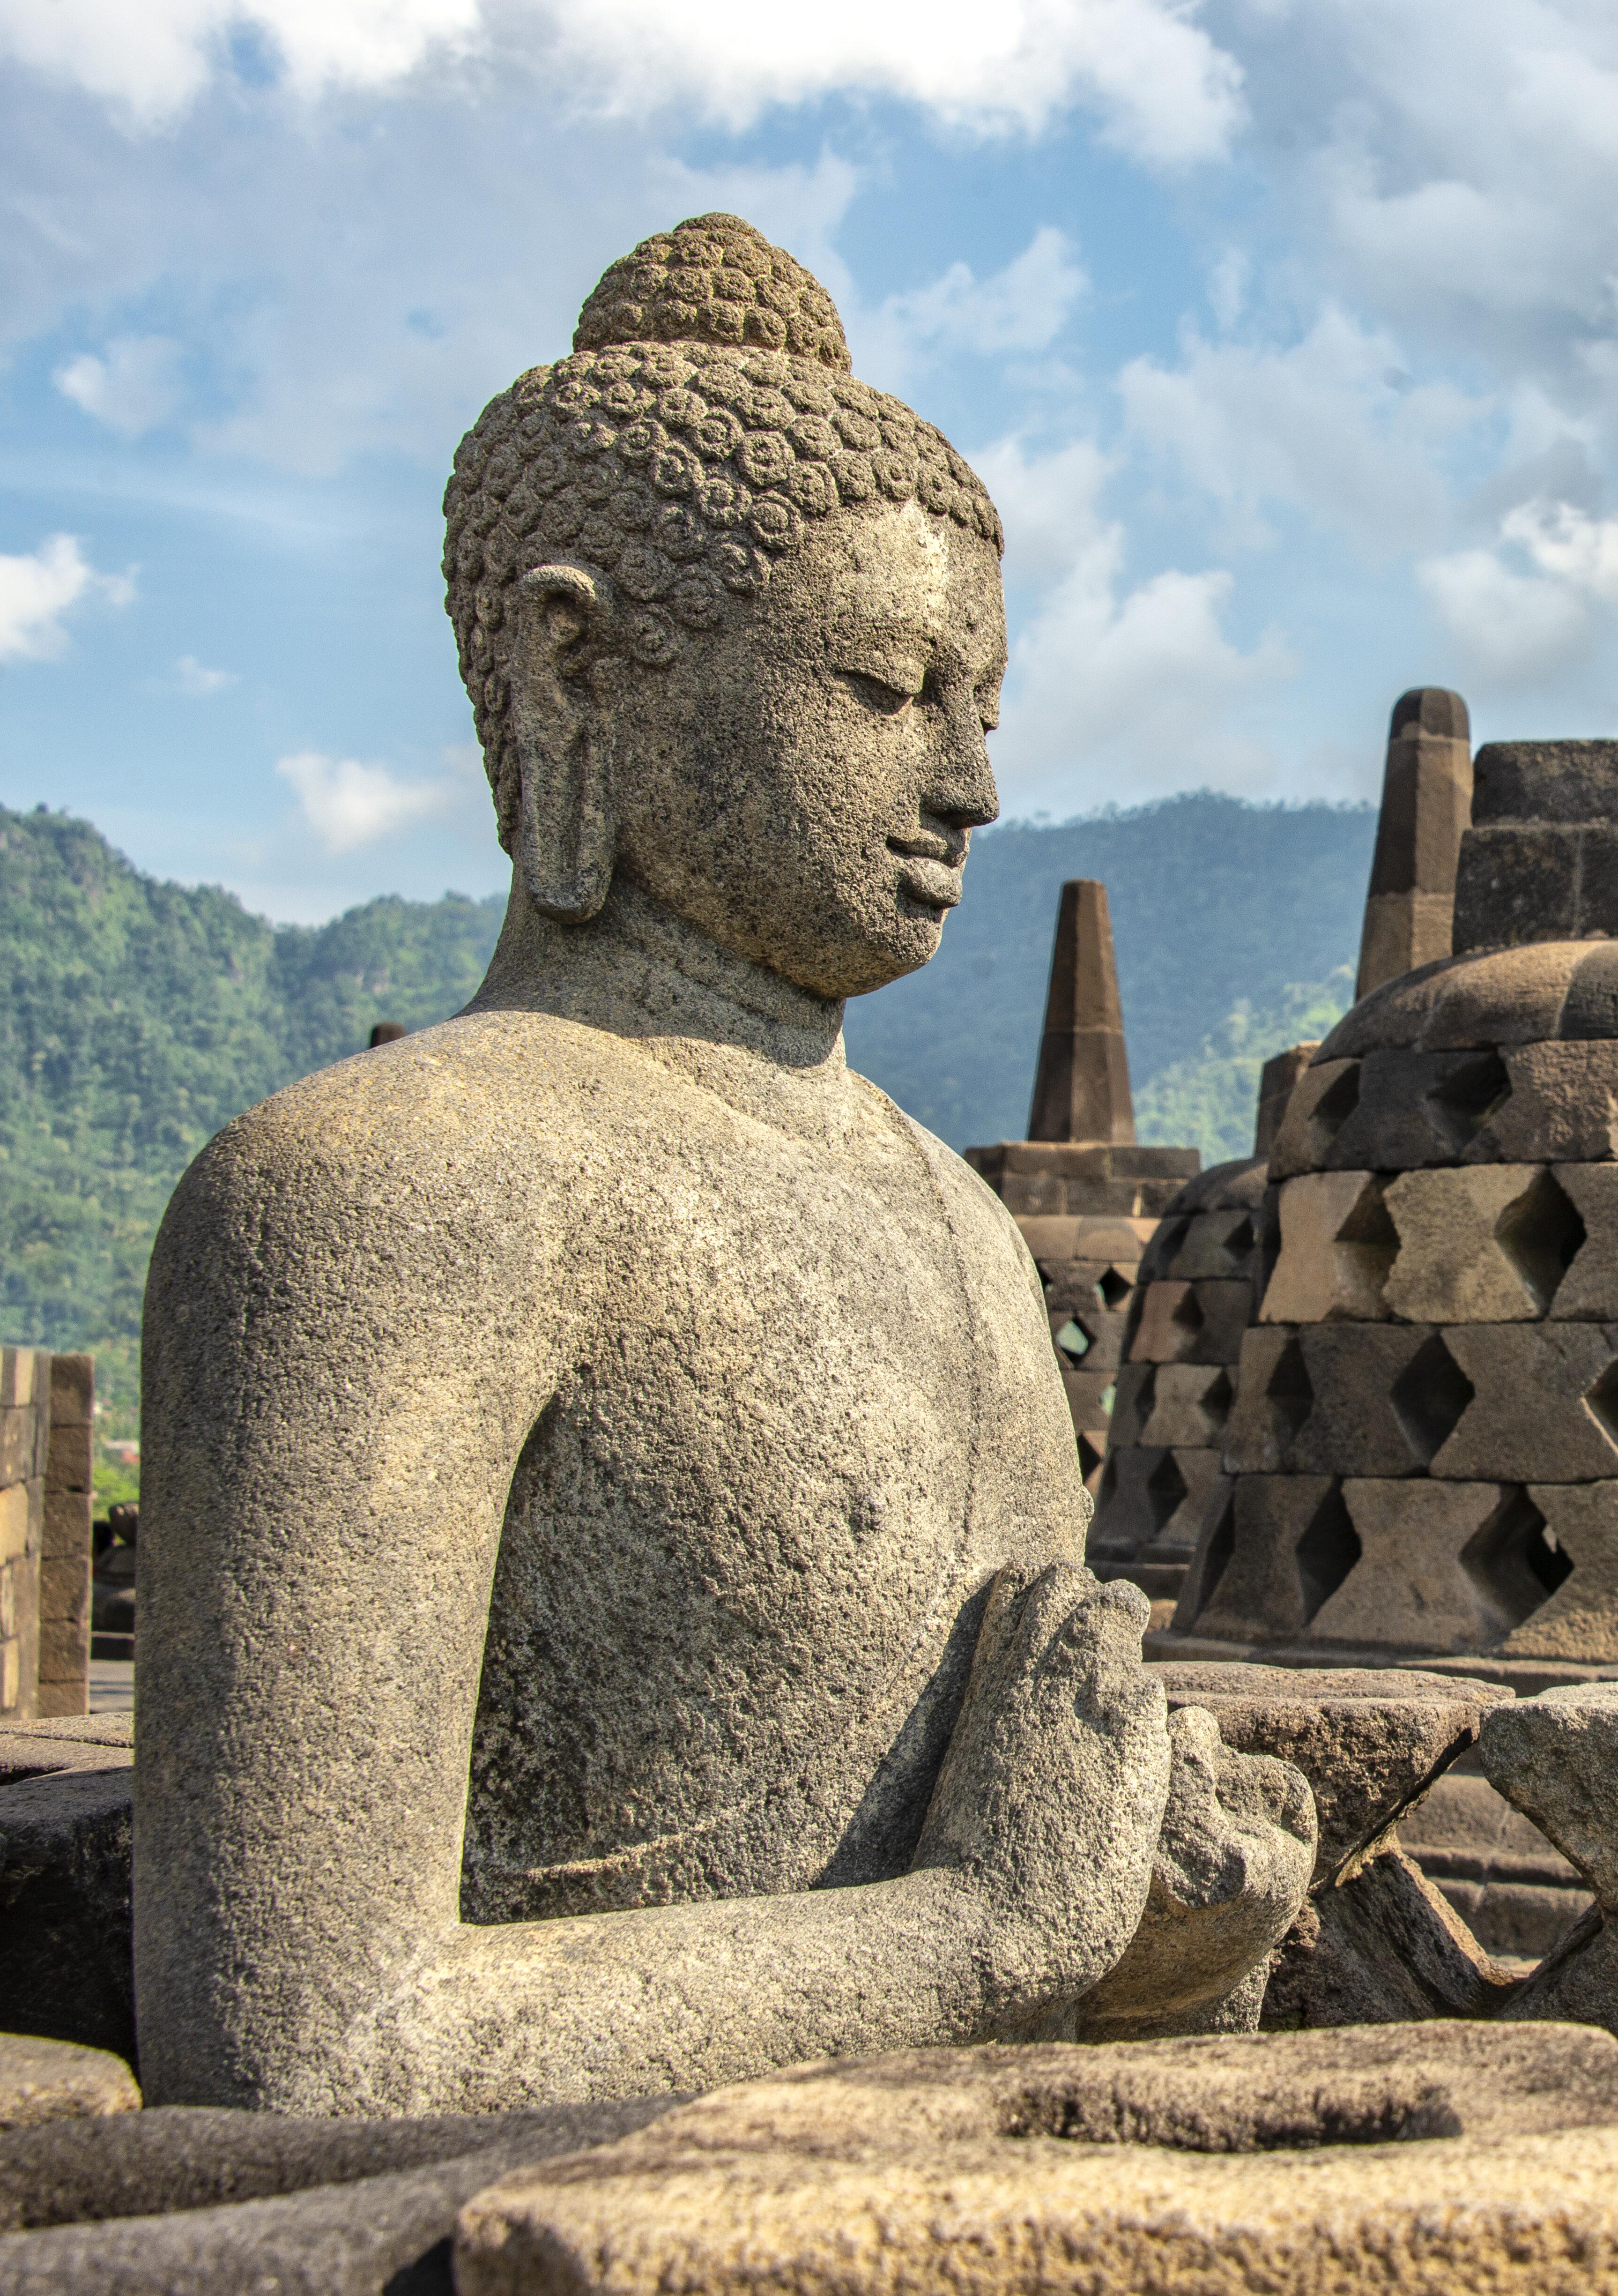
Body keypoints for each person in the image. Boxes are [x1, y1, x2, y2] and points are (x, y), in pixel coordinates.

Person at [134, 218, 1303, 2114]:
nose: (971, 784)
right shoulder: (375, 1201)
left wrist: (1152, 1918)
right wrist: (984, 1935)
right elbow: (302, 2038)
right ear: (581, 667)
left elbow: (1047, 1956)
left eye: (982, 705)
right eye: (882, 689)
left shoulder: (970, 1234)